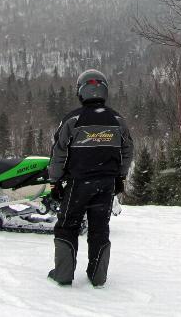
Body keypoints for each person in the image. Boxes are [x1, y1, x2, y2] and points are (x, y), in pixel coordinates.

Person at [47, 69, 134, 287]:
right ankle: (98, 276)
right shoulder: (117, 119)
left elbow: (58, 152)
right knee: (99, 229)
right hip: (105, 184)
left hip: (78, 183)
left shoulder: (73, 119)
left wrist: (54, 181)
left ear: (81, 91)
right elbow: (127, 150)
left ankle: (63, 274)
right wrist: (120, 176)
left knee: (67, 226)